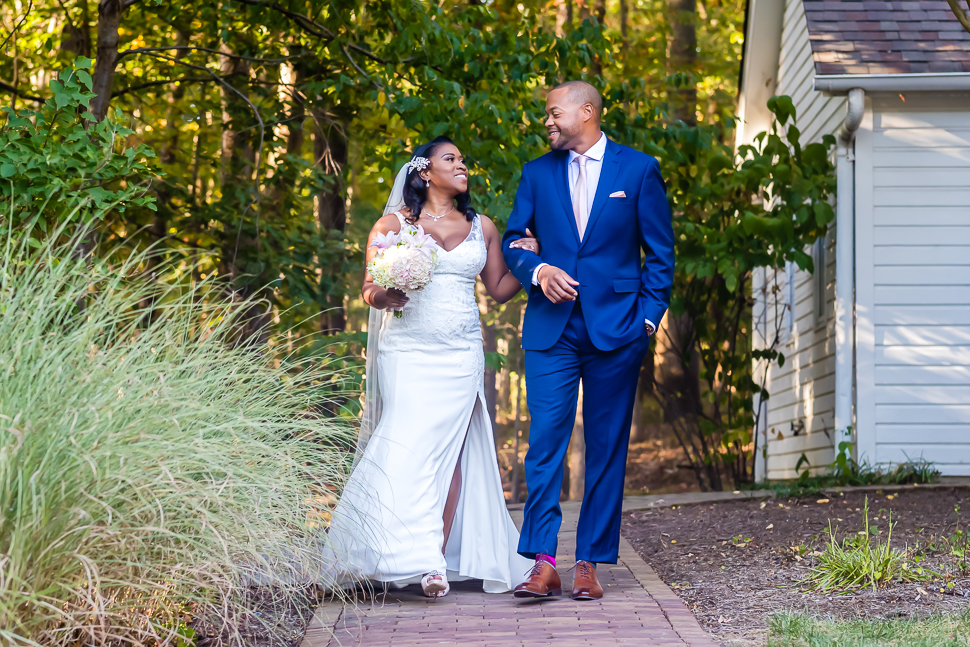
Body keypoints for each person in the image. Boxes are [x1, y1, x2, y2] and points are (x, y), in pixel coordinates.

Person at [326, 136, 536, 597]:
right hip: (407, 353)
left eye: (463, 159)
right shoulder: (392, 225)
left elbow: (499, 287)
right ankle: (372, 551)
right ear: (424, 172)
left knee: (450, 455)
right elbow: (368, 288)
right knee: (404, 445)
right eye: (451, 159)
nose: (462, 165)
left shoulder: (483, 226)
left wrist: (528, 259)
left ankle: (432, 561)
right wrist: (386, 295)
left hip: (461, 354)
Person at [502, 81, 675, 601]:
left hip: (617, 332)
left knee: (605, 450)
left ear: (587, 111)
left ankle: (589, 563)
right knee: (545, 444)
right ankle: (544, 561)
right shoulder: (536, 173)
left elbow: (660, 256)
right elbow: (513, 240)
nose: (547, 123)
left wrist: (646, 324)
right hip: (551, 330)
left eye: (554, 114)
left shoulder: (639, 170)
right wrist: (537, 270)